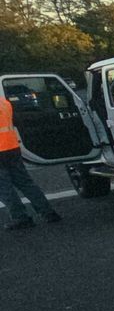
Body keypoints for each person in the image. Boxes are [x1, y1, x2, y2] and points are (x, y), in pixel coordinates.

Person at [0, 92, 62, 230]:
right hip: (12, 147)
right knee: (25, 182)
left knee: (4, 188)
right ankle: (48, 212)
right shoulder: (4, 103)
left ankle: (20, 217)